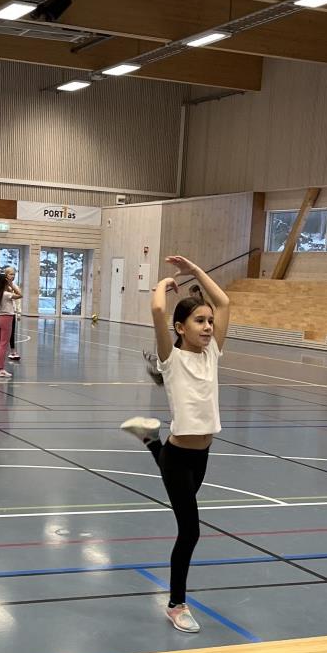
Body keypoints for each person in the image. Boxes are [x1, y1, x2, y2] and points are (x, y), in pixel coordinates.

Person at [121, 255, 230, 633]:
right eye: (199, 321)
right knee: (190, 530)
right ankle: (176, 604)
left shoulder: (213, 353)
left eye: (209, 321)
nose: (208, 326)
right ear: (181, 328)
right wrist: (163, 286)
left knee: (181, 501)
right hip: (181, 454)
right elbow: (157, 310)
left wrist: (197, 270)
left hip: (203, 454)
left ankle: (149, 438)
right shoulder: (171, 358)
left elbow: (224, 303)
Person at [0, 266, 20, 378]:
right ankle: (0, 369)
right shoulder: (7, 294)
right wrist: (11, 285)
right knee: (4, 345)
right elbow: (20, 294)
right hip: (6, 319)